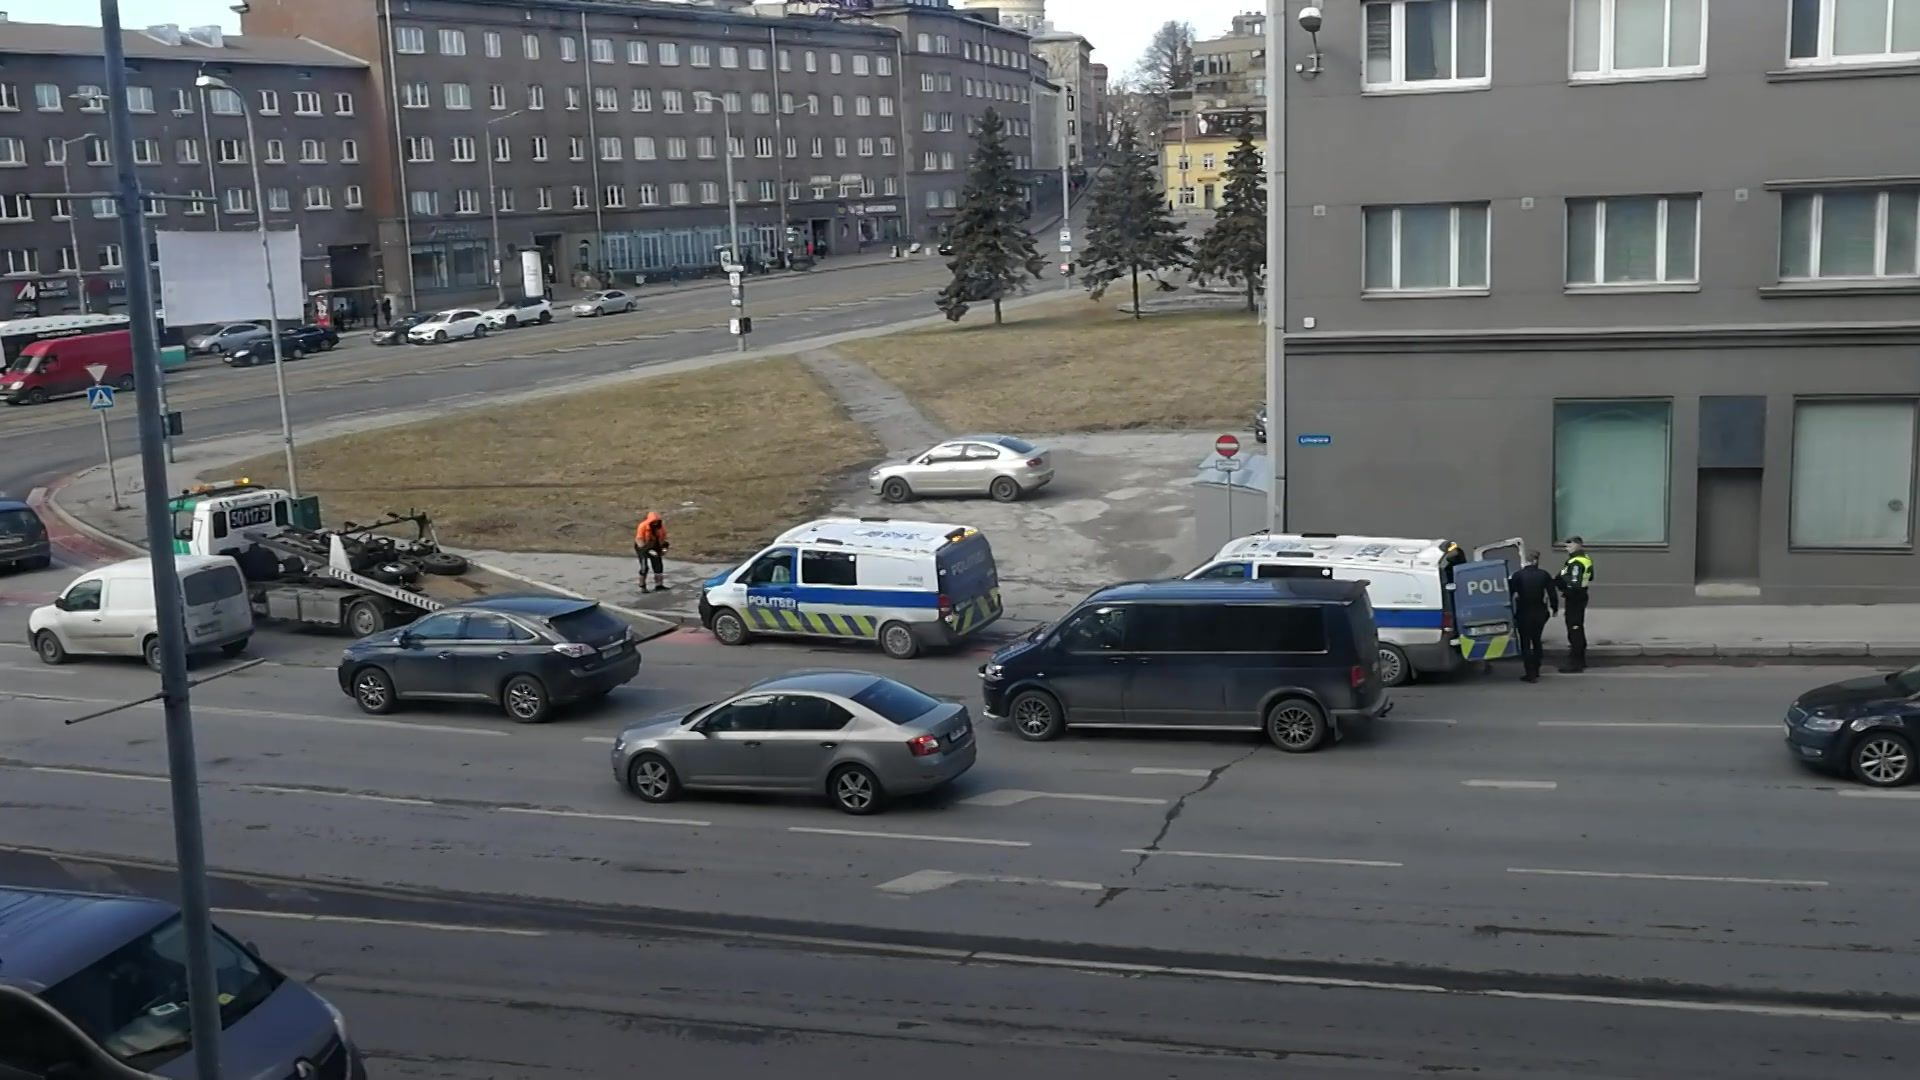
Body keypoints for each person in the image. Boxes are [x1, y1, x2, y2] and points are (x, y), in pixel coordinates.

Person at [1509, 551, 1559, 684]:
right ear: (1536, 561)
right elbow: (1552, 593)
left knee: (1525, 642)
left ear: (1525, 561)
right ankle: (1537, 667)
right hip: (1539, 612)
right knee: (1536, 640)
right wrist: (1554, 608)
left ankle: (1529, 672)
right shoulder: (1544, 575)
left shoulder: (1518, 575)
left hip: (1523, 612)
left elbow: (1509, 592)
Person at [1558, 537, 1596, 673]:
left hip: (1575, 597)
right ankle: (1580, 659)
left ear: (1578, 545)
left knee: (1574, 628)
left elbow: (1574, 583)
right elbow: (1590, 577)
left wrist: (1563, 586)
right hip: (1581, 596)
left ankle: (1575, 662)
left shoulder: (1576, 562)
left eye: (1569, 545)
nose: (1566, 547)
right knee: (1577, 626)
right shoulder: (1585, 558)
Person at [633, 512, 669, 592]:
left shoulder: (661, 528)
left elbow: (662, 539)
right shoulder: (643, 526)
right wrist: (647, 550)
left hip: (655, 546)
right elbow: (639, 540)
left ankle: (659, 585)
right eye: (654, 522)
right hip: (642, 546)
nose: (655, 524)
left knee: (658, 565)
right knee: (644, 567)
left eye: (657, 522)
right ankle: (642, 585)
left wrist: (663, 549)